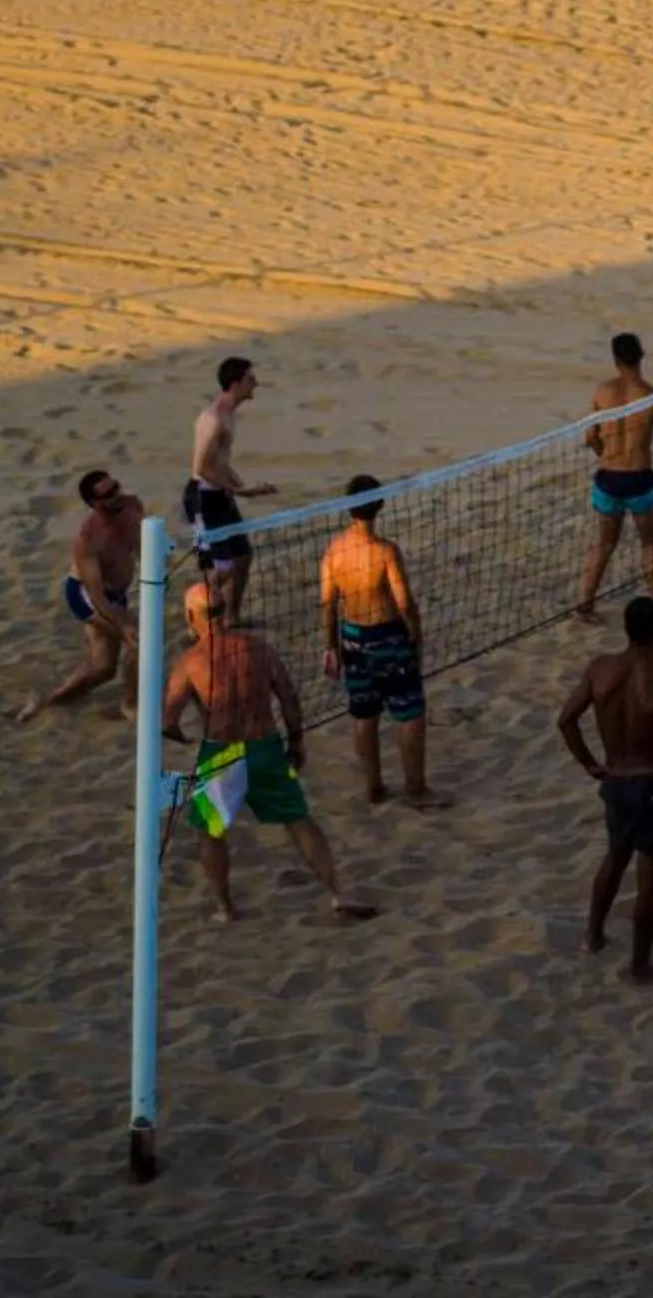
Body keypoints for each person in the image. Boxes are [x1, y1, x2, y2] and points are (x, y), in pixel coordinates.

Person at [167, 581, 374, 923]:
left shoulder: (190, 663)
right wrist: (296, 741)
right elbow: (289, 697)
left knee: (210, 830)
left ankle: (225, 907)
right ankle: (338, 892)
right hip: (265, 744)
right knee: (299, 819)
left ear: (192, 617)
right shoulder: (258, 647)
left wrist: (184, 738)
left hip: (220, 752)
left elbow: (167, 720)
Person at [556, 597, 653, 981]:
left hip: (617, 782)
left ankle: (593, 936)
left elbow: (566, 720)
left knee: (615, 857)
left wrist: (590, 763)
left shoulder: (600, 669)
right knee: (650, 879)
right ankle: (639, 966)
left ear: (626, 629)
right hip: (651, 782)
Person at [320, 475, 443, 806]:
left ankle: (373, 786)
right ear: (381, 504)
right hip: (387, 635)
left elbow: (328, 604)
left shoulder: (333, 551)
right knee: (410, 712)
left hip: (352, 637)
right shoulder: (385, 551)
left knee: (364, 713)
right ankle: (416, 789)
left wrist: (331, 645)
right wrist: (416, 632)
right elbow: (404, 601)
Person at [14, 467, 146, 723]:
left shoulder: (133, 507)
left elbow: (139, 543)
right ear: (95, 504)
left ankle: (48, 702)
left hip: (117, 593)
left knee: (104, 668)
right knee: (139, 638)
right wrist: (121, 624)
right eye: (108, 494)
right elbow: (95, 594)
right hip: (88, 596)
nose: (117, 495)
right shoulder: (89, 538)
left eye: (116, 486)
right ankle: (130, 706)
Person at [572, 332, 653, 622]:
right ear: (641, 356)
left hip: (609, 479)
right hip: (640, 480)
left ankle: (585, 605)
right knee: (650, 543)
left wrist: (605, 456)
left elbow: (590, 436)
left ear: (615, 360)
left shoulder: (602, 392)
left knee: (604, 543)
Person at [186, 357, 278, 628]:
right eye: (250, 379)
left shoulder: (229, 416)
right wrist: (238, 492)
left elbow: (221, 463)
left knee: (243, 557)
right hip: (203, 497)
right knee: (222, 568)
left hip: (220, 493)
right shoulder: (214, 420)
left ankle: (231, 618)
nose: (256, 384)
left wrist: (245, 488)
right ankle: (196, 615)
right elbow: (201, 467)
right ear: (235, 383)